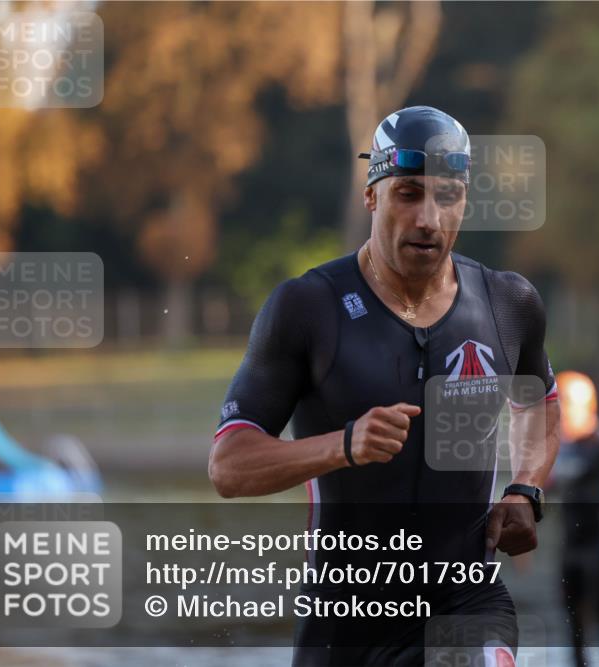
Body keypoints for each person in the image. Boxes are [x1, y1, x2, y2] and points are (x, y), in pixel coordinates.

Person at [208, 106, 560, 666]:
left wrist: (525, 489)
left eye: (448, 196)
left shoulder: (507, 303)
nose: (429, 218)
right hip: (344, 624)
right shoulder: (308, 307)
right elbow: (229, 465)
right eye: (408, 194)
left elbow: (538, 405)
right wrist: (344, 445)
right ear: (371, 196)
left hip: (467, 603)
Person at [550, 371, 599, 667]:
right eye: (561, 401)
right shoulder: (559, 445)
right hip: (571, 544)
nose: (564, 409)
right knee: (574, 627)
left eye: (569, 402)